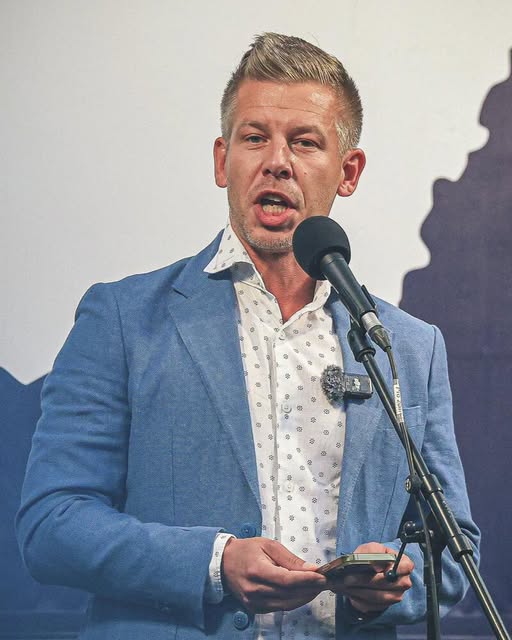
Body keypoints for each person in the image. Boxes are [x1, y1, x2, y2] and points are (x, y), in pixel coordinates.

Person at [16, 33, 479, 640]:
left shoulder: (408, 348)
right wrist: (214, 563)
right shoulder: (124, 320)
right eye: (255, 137)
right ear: (222, 160)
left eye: (305, 142)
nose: (277, 161)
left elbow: (453, 551)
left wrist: (390, 581)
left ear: (349, 172)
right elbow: (52, 524)